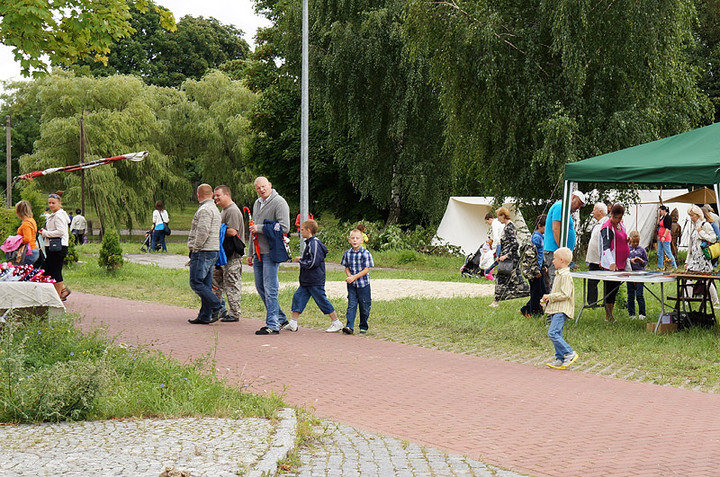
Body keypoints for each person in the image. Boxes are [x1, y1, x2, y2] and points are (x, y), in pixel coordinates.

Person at [283, 220, 343, 333]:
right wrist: (302, 259)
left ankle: (336, 322)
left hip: (315, 280)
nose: (300, 232)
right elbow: (311, 259)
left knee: (321, 300)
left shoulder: (314, 244)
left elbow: (313, 262)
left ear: (308, 230)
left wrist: (301, 262)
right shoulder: (310, 243)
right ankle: (293, 322)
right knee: (298, 297)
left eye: (302, 230)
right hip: (307, 280)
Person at [248, 176, 291, 335]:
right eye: (258, 188)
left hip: (271, 252)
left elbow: (284, 227)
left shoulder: (279, 202)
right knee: (260, 287)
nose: (261, 190)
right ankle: (280, 318)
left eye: (264, 186)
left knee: (270, 287)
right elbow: (252, 230)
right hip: (258, 251)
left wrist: (261, 228)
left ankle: (272, 324)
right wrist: (250, 252)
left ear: (270, 185)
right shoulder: (257, 203)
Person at [187, 184, 223, 325]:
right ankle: (205, 315)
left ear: (198, 194)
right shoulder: (214, 208)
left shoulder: (205, 210)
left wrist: (195, 248)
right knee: (206, 285)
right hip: (213, 250)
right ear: (212, 195)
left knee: (196, 282)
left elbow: (202, 231)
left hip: (203, 251)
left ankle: (217, 307)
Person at [542, 247, 578, 369]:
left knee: (552, 333)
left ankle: (569, 352)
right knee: (558, 333)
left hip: (561, 309)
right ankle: (560, 358)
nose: (552, 261)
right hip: (555, 308)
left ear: (562, 260)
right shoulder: (559, 274)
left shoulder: (565, 276)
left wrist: (550, 296)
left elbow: (565, 294)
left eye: (554, 258)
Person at [212, 185, 245, 323]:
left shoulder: (232, 210)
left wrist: (216, 228)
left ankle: (235, 313)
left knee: (231, 283)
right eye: (214, 195)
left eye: (218, 195)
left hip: (232, 256)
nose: (215, 198)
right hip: (223, 255)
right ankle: (219, 308)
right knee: (216, 282)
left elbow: (233, 231)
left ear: (227, 194)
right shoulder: (224, 210)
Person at [544, 190, 586, 290]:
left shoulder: (564, 209)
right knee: (555, 281)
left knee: (559, 280)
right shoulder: (560, 206)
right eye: (578, 204)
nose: (578, 208)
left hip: (557, 251)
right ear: (573, 197)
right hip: (554, 251)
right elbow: (556, 228)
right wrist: (562, 249)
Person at [490, 207, 530, 307]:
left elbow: (515, 244)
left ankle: (497, 300)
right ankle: (497, 299)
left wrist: (506, 256)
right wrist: (499, 255)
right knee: (510, 278)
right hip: (507, 258)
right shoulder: (507, 227)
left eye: (498, 216)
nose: (497, 219)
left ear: (503, 216)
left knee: (504, 278)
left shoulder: (509, 228)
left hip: (510, 259)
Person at [599, 204, 631, 322]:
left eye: (619, 218)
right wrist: (611, 262)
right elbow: (606, 247)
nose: (617, 220)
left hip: (621, 264)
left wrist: (627, 240)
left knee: (615, 289)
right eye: (615, 218)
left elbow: (621, 238)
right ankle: (608, 316)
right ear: (611, 215)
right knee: (610, 290)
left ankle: (611, 314)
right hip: (612, 265)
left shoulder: (621, 225)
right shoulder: (607, 228)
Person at [341, 228, 374, 334]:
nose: (355, 240)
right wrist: (349, 276)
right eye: (352, 238)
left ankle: (363, 325)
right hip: (352, 285)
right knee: (352, 304)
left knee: (364, 305)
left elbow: (367, 269)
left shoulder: (365, 253)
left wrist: (354, 277)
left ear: (362, 240)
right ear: (349, 240)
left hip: (363, 284)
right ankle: (349, 326)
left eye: (357, 238)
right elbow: (346, 267)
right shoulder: (347, 253)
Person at [685, 205, 719, 306]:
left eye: (692, 215)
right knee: (689, 280)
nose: (691, 217)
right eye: (690, 215)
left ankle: (715, 300)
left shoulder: (705, 225)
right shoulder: (693, 227)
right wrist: (687, 261)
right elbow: (690, 248)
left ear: (697, 214)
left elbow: (713, 238)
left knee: (708, 280)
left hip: (703, 259)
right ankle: (687, 299)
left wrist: (701, 232)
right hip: (694, 259)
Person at [40, 191, 71, 300]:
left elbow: (60, 232)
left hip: (57, 247)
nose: (51, 205)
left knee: (55, 271)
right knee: (48, 270)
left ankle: (58, 296)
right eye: (49, 203)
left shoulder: (58, 216)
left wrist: (45, 233)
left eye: (53, 203)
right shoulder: (54, 215)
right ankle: (62, 291)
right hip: (53, 246)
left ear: (59, 204)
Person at [520, 214, 546, 317]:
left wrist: (543, 267)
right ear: (539, 226)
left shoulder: (541, 237)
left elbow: (541, 255)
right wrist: (536, 271)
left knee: (542, 291)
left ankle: (527, 309)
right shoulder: (536, 238)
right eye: (545, 226)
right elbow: (532, 256)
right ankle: (533, 312)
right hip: (534, 271)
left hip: (540, 269)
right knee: (535, 293)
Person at [585, 203, 609, 307]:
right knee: (591, 282)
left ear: (600, 211)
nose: (593, 212)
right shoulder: (597, 224)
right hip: (593, 258)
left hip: (600, 260)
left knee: (604, 281)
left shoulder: (606, 223)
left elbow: (605, 242)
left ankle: (606, 302)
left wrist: (602, 259)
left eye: (594, 210)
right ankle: (592, 302)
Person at [627, 230, 648, 320]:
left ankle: (642, 314)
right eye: (634, 242)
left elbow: (646, 261)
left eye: (637, 242)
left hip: (640, 274)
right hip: (630, 274)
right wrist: (630, 261)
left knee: (639, 294)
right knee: (630, 295)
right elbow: (624, 260)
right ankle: (631, 314)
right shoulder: (627, 249)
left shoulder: (642, 250)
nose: (635, 243)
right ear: (630, 240)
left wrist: (641, 261)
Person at [15, 200, 40, 266]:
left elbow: (27, 239)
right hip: (34, 249)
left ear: (19, 211)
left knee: (20, 272)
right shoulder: (31, 220)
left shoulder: (26, 224)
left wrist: (16, 242)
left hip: (28, 251)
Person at [657, 206, 676, 270]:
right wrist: (659, 217)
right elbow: (658, 224)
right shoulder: (662, 217)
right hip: (660, 237)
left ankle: (674, 266)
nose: (660, 212)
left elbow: (667, 228)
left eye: (661, 211)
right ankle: (660, 266)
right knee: (659, 252)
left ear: (664, 210)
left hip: (665, 238)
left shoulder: (668, 218)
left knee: (668, 253)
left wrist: (664, 236)